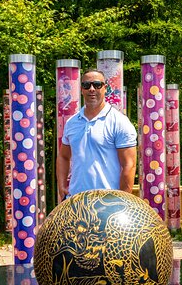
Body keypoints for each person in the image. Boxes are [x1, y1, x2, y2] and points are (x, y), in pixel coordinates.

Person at [56, 69, 137, 200]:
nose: (92, 89)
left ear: (105, 88)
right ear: (82, 89)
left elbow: (129, 164)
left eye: (97, 85)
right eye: (87, 85)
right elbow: (64, 157)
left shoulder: (119, 122)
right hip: (76, 200)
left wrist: (123, 201)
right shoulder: (72, 123)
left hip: (107, 202)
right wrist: (61, 185)